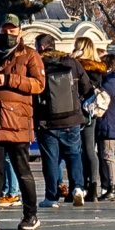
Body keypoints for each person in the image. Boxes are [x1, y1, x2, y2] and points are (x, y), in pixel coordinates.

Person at [0, 19, 48, 230]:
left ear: (20, 31)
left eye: (12, 30)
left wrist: (8, 79)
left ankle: (30, 215)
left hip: (17, 121)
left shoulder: (29, 55)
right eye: (5, 29)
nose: (8, 33)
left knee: (22, 170)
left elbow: (38, 85)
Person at [36, 40, 86, 204]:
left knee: (50, 159)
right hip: (72, 118)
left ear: (42, 47)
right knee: (74, 155)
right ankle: (78, 187)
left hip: (47, 121)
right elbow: (86, 87)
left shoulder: (38, 63)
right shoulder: (72, 62)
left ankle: (51, 197)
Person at [78, 39, 115, 199]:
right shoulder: (112, 80)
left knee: (107, 155)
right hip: (108, 122)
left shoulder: (111, 82)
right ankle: (107, 186)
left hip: (109, 123)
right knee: (104, 154)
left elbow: (102, 96)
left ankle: (112, 188)